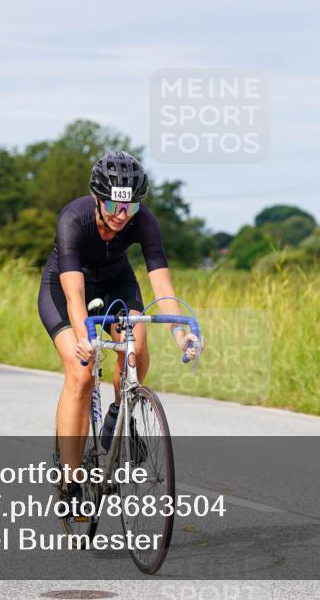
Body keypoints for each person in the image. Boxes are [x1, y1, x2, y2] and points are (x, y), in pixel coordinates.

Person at [38, 150, 199, 510]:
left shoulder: (144, 221)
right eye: (113, 205)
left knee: (136, 349)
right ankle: (69, 479)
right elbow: (74, 296)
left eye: (130, 207)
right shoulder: (73, 219)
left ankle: (119, 414)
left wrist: (180, 335)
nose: (122, 216)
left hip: (117, 283)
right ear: (97, 198)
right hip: (66, 289)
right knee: (81, 373)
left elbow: (163, 287)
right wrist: (84, 338)